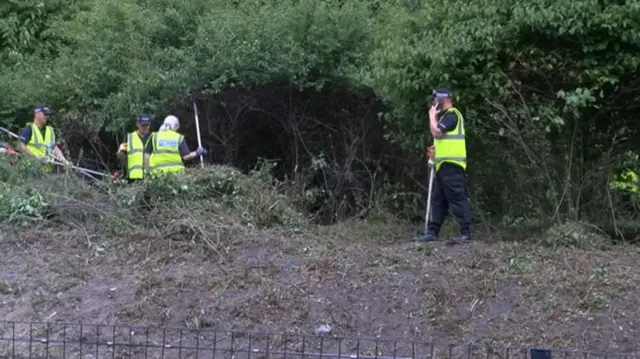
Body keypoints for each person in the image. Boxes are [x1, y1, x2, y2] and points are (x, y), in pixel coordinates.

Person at [418, 88, 472, 243]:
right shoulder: (446, 117)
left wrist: (431, 117)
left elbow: (436, 133)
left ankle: (465, 233)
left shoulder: (452, 115)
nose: (434, 103)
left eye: (435, 100)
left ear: (443, 100)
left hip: (452, 164)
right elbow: (440, 138)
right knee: (438, 199)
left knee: (457, 198)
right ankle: (432, 232)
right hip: (442, 164)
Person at [143, 115, 208, 176]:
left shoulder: (154, 136)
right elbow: (186, 157)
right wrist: (198, 152)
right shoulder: (178, 137)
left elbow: (146, 156)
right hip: (176, 175)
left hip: (157, 174)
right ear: (174, 126)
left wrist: (147, 171)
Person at [18, 104, 70, 172]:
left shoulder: (50, 130)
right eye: (45, 114)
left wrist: (64, 161)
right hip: (32, 169)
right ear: (37, 114)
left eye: (48, 115)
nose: (47, 117)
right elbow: (22, 146)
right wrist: (36, 157)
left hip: (47, 171)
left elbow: (54, 148)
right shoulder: (28, 129)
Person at [117, 113, 153, 182]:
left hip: (150, 178)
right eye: (143, 125)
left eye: (147, 125)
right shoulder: (129, 138)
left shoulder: (153, 137)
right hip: (133, 178)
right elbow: (121, 156)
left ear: (149, 125)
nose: (145, 127)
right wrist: (120, 154)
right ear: (137, 124)